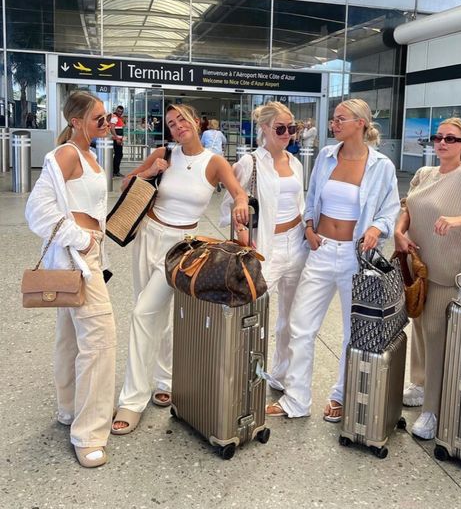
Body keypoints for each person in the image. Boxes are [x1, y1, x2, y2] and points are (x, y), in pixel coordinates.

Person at [112, 104, 249, 435]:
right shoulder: (164, 152)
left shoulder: (214, 162)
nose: (177, 127)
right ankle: (165, 377)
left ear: (196, 121)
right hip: (148, 234)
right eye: (172, 123)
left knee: (145, 313)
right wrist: (148, 172)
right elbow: (125, 185)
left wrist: (242, 204)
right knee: (152, 310)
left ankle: (132, 399)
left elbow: (238, 191)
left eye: (182, 120)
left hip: (180, 246)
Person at [266, 98, 400, 421]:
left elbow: (390, 210)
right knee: (301, 325)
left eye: (341, 119)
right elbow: (311, 198)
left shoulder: (381, 166)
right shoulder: (327, 157)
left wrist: (376, 229)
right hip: (321, 251)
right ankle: (296, 399)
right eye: (333, 120)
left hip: (357, 257)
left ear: (361, 124)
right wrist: (309, 227)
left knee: (352, 332)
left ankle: (341, 394)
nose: (333, 124)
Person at [25, 90, 115, 468]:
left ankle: (68, 409)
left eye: (107, 117)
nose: (107, 123)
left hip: (88, 254)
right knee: (100, 340)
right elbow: (37, 209)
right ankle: (89, 434)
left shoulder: (89, 153)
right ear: (76, 121)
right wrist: (80, 238)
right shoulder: (66, 154)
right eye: (99, 118)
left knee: (70, 335)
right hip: (78, 255)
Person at [394, 118, 461, 440]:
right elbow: (406, 206)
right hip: (417, 265)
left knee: (438, 335)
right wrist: (398, 231)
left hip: (447, 272)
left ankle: (433, 410)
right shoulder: (425, 174)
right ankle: (421, 383)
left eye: (451, 139)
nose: (442, 143)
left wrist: (460, 219)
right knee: (421, 327)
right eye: (438, 137)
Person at [220, 102, 308, 392]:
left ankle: (283, 376)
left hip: (296, 243)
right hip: (264, 247)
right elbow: (230, 204)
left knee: (292, 318)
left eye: (291, 128)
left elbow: (301, 203)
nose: (286, 134)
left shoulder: (295, 163)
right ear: (265, 129)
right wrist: (243, 230)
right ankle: (244, 373)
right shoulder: (250, 163)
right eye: (280, 128)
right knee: (252, 311)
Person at [109, 105, 125, 177]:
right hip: (116, 140)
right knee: (118, 155)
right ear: (116, 110)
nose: (120, 113)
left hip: (118, 139)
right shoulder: (114, 117)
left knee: (118, 155)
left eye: (121, 112)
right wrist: (117, 138)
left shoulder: (119, 118)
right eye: (118, 111)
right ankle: (115, 171)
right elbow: (112, 128)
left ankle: (115, 171)